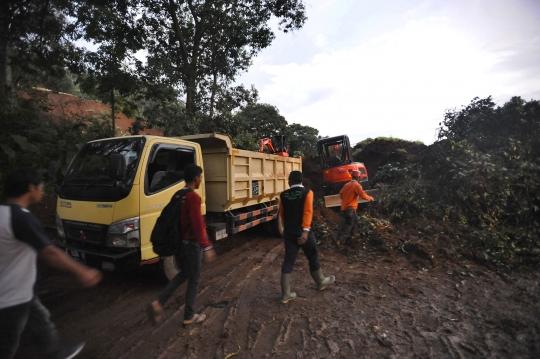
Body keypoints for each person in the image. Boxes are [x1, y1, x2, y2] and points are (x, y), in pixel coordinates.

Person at [0, 168, 102, 359]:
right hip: (10, 299)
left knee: (40, 317)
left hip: (20, 290)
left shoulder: (3, 213)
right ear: (31, 188)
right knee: (6, 347)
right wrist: (83, 271)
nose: (42, 191)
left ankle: (55, 352)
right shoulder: (22, 218)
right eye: (41, 187)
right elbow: (50, 253)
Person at [148, 164, 217, 326]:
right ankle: (189, 315)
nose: (201, 179)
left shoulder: (179, 194)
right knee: (195, 279)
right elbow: (197, 224)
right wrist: (207, 247)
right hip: (191, 245)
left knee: (184, 274)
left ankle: (159, 303)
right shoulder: (193, 197)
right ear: (195, 178)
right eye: (200, 176)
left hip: (180, 244)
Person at [278, 170, 335, 304]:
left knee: (288, 261)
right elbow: (308, 212)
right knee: (313, 256)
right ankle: (321, 281)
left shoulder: (284, 195)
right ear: (301, 180)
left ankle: (285, 294)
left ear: (290, 181)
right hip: (304, 233)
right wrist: (305, 231)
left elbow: (282, 214)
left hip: (289, 233)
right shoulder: (307, 192)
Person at [338, 170, 374, 244]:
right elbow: (362, 194)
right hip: (350, 208)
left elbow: (341, 194)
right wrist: (370, 198)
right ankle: (338, 238)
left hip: (345, 207)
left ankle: (353, 236)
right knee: (349, 223)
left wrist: (346, 200)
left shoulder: (346, 185)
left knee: (356, 220)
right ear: (358, 178)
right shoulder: (356, 185)